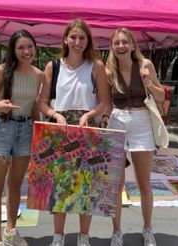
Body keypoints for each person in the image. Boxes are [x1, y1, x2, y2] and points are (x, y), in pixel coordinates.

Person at [38, 18, 110, 246]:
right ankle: (58, 237)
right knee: (59, 186)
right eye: (74, 37)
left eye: (82, 38)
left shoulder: (96, 66)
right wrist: (55, 115)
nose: (77, 42)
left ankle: (84, 237)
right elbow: (42, 102)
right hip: (60, 129)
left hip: (86, 128)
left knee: (85, 186)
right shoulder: (54, 66)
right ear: (65, 39)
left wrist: (89, 115)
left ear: (87, 41)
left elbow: (105, 102)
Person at [0, 29, 43, 246]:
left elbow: (35, 108)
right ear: (13, 50)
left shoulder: (38, 75)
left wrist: (39, 131)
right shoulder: (0, 71)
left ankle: (11, 230)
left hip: (25, 131)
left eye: (30, 47)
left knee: (15, 186)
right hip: (0, 129)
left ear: (35, 48)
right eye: (21, 47)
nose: (26, 51)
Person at [105, 28, 165, 246]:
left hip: (142, 121)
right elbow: (104, 102)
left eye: (124, 42)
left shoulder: (145, 65)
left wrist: (148, 82)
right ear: (112, 47)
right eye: (116, 43)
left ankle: (148, 229)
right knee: (116, 184)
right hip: (117, 120)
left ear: (132, 45)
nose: (120, 46)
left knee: (143, 182)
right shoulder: (109, 70)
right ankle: (116, 231)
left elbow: (160, 96)